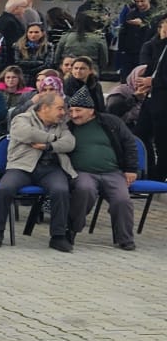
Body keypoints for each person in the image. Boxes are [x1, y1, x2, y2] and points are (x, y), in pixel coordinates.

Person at [0, 88, 76, 249]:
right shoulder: (22, 118)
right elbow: (25, 133)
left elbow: (70, 143)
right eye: (59, 108)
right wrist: (53, 138)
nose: (63, 112)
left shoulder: (61, 124)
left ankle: (58, 236)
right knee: (5, 188)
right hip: (22, 166)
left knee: (61, 190)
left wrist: (49, 147)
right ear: (45, 108)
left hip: (50, 168)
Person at [62, 90, 140, 250]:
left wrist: (131, 169)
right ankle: (71, 230)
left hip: (113, 172)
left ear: (91, 110)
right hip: (82, 172)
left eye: (78, 110)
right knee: (84, 190)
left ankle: (125, 238)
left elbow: (129, 144)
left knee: (122, 200)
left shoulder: (111, 122)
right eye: (71, 110)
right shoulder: (68, 127)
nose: (74, 115)